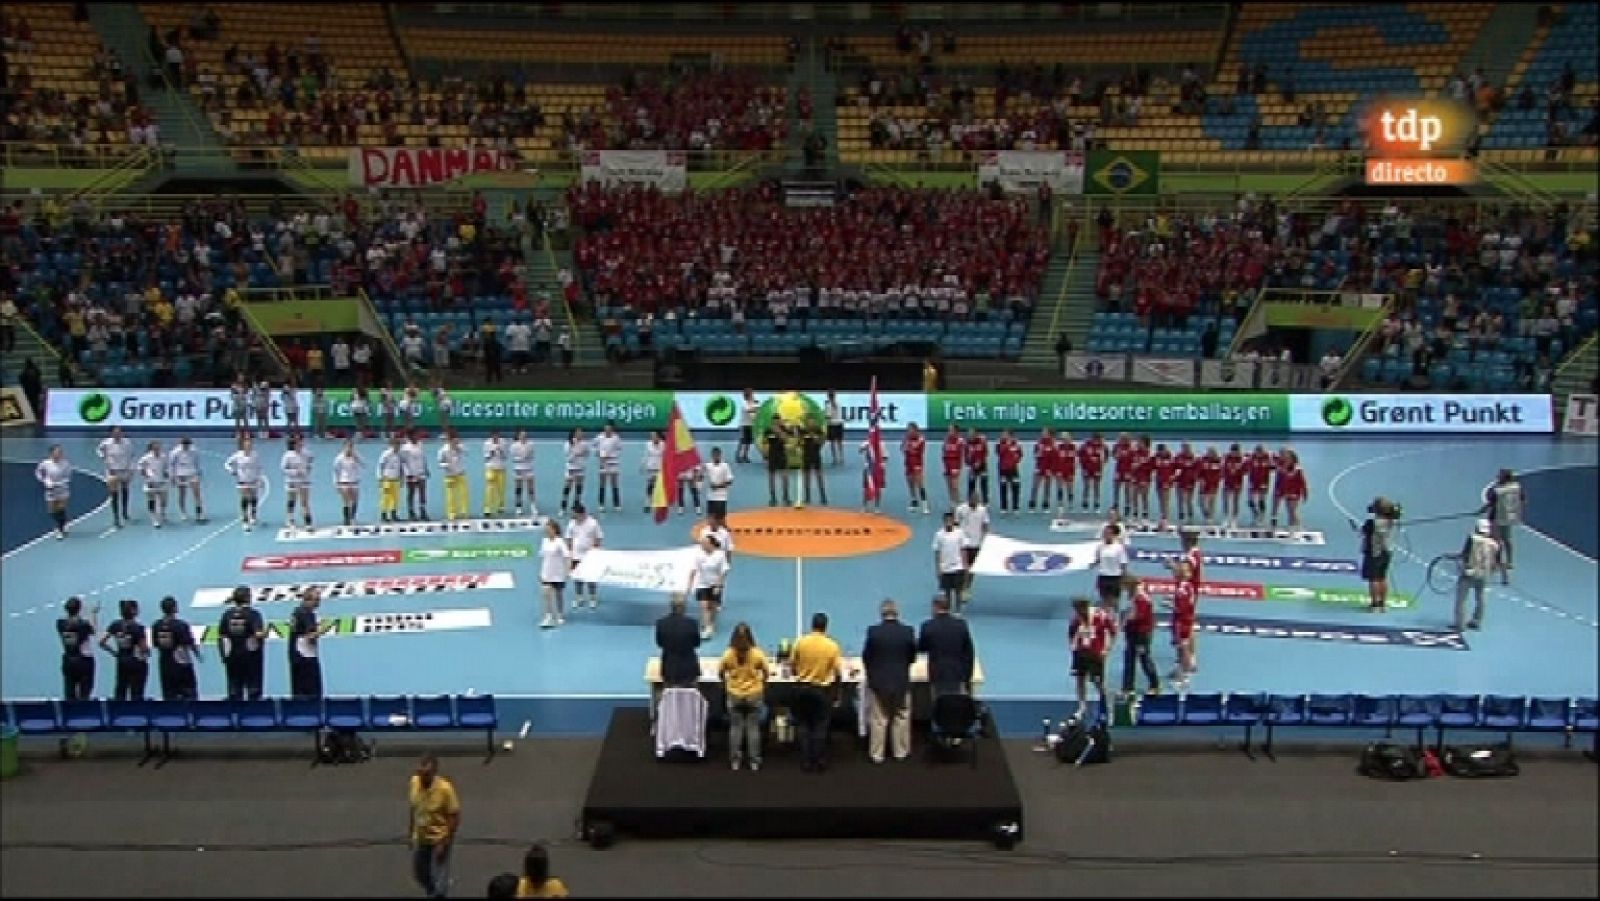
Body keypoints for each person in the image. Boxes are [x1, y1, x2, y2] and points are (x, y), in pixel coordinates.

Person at [862, 599, 917, 764]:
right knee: (901, 716)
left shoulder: (873, 632)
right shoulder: (908, 631)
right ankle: (900, 751)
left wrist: (873, 674)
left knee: (879, 719)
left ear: (882, 613)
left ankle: (877, 754)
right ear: (897, 613)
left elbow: (867, 656)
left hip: (879, 683)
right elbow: (912, 656)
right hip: (900, 681)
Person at [790, 612, 844, 773]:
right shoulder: (832, 646)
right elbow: (837, 673)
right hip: (822, 691)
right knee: (820, 727)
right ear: (825, 626)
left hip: (802, 690)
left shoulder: (800, 643)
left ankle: (806, 761)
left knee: (803, 725)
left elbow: (792, 666)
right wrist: (837, 693)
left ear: (812, 625)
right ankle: (819, 760)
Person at [409, 753, 460, 900]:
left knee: (438, 880)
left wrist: (444, 842)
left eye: (426, 775)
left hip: (439, 839)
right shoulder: (414, 783)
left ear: (434, 773)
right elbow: (414, 807)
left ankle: (439, 891)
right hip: (421, 838)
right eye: (420, 774)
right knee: (420, 874)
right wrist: (411, 830)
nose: (422, 778)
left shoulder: (445, 789)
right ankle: (435, 888)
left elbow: (454, 816)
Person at [718, 622, 767, 771]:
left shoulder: (728, 654)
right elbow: (766, 672)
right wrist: (761, 683)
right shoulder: (757, 653)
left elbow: (720, 672)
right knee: (753, 728)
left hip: (734, 695)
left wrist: (727, 682)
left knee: (735, 727)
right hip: (754, 695)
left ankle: (735, 761)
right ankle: (754, 762)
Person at [1068, 596, 1116, 720]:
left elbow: (1113, 631)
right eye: (1076, 611)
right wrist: (1073, 648)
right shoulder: (1076, 619)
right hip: (1080, 653)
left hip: (1095, 655)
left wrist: (1107, 649)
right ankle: (1082, 707)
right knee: (1080, 680)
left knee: (1098, 682)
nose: (1078, 613)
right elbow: (1071, 634)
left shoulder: (1100, 616)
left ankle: (1109, 709)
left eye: (1080, 610)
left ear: (1085, 607)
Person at [918, 594, 974, 698]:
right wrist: (967, 676)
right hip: (958, 674)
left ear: (935, 607)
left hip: (937, 674)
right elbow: (969, 652)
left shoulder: (928, 626)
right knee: (957, 704)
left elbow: (921, 648)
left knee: (939, 705)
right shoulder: (961, 625)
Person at [217, 586, 266, 700]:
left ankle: (235, 714)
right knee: (253, 689)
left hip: (233, 657)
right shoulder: (253, 614)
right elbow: (258, 634)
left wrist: (223, 656)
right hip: (251, 658)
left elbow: (221, 637)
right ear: (248, 598)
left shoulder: (227, 615)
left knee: (234, 689)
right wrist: (265, 633)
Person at [1455, 519, 1503, 631]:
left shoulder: (1472, 539)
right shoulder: (1495, 544)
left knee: (1461, 599)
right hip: (1485, 574)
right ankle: (1477, 621)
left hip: (1469, 572)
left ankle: (1460, 624)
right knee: (1481, 598)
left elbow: (1465, 555)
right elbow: (1497, 562)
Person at [289, 587, 335, 698]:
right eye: (317, 600)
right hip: (307, 659)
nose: (319, 602)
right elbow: (310, 637)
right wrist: (324, 629)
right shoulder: (307, 614)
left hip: (296, 657)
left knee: (298, 692)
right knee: (313, 693)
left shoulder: (297, 611)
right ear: (308, 600)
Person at [100, 598, 150, 702]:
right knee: (136, 692)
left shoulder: (115, 625)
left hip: (122, 660)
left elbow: (102, 642)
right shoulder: (138, 628)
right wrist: (147, 652)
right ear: (134, 611)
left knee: (120, 689)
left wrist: (114, 653)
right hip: (136, 662)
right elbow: (143, 648)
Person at [1119, 574, 1160, 698]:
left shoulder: (1141, 598)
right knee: (1129, 659)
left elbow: (1138, 616)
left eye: (1124, 586)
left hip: (1141, 634)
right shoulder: (1133, 595)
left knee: (1144, 660)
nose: (1123, 589)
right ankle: (1127, 688)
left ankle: (1155, 685)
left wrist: (1125, 620)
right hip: (1132, 633)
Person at [150, 596, 199, 700]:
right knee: (188, 691)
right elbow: (190, 643)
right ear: (175, 608)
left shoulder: (156, 625)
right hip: (181, 663)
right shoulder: (181, 625)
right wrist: (197, 653)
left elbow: (156, 644)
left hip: (165, 663)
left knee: (168, 693)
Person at [1482, 469, 1525, 583]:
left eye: (1499, 476)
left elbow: (1490, 504)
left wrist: (1480, 510)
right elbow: (1522, 500)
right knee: (1507, 539)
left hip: (1497, 518)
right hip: (1509, 517)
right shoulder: (1516, 487)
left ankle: (1497, 564)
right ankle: (1510, 562)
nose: (1497, 477)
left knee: (1495, 542)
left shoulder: (1497, 490)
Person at [1358, 496, 1399, 612]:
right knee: (1382, 577)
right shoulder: (1391, 522)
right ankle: (1383, 603)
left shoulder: (1371, 523)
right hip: (1386, 552)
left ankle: (1375, 604)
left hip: (1374, 552)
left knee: (1374, 579)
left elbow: (1363, 531)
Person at [689, 532, 730, 639]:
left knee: (713, 607)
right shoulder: (699, 555)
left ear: (711, 544)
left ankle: (711, 624)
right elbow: (694, 570)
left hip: (715, 584)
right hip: (702, 584)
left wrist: (719, 586)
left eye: (705, 543)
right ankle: (707, 627)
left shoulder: (720, 555)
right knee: (704, 606)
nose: (702, 545)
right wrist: (690, 584)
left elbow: (724, 571)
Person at [57, 597, 98, 700]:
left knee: (69, 693)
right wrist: (93, 614)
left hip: (68, 660)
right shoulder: (83, 624)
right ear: (79, 609)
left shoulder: (60, 623)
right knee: (85, 693)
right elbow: (93, 630)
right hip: (83, 661)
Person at [564, 504, 604, 610]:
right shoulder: (572, 523)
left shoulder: (593, 523)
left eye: (576, 515)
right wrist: (570, 553)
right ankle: (579, 597)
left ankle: (592, 598)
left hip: (589, 556)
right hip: (576, 555)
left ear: (582, 514)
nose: (574, 517)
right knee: (577, 578)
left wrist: (594, 552)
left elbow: (598, 538)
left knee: (591, 578)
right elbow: (568, 538)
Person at [97, 426, 134, 529]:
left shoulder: (127, 443)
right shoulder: (106, 443)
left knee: (125, 490)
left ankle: (125, 512)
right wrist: (104, 457)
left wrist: (131, 469)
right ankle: (116, 517)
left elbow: (131, 456)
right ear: (112, 434)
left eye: (119, 432)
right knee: (114, 494)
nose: (118, 434)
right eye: (115, 432)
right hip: (112, 471)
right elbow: (99, 451)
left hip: (124, 470)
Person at [225, 436, 264, 531]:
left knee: (254, 499)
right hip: (242, 481)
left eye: (250, 443)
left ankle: (253, 515)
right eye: (246, 443)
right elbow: (227, 463)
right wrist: (232, 471)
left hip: (253, 481)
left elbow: (258, 467)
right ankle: (245, 521)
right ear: (243, 445)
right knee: (245, 499)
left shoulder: (255, 455)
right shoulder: (238, 455)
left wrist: (259, 478)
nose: (248, 445)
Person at [537, 520, 571, 629]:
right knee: (545, 593)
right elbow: (543, 557)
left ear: (554, 529)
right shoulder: (544, 541)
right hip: (547, 573)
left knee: (558, 595)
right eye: (546, 529)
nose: (547, 531)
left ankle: (560, 614)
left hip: (558, 573)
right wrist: (541, 572)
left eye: (549, 529)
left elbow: (567, 556)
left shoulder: (560, 542)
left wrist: (567, 570)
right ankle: (548, 615)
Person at [35, 445, 73, 540]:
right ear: (51, 453)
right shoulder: (45, 463)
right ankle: (63, 522)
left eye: (60, 452)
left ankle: (60, 529)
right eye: (57, 452)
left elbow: (68, 476)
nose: (59, 454)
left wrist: (59, 483)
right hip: (50, 490)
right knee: (52, 511)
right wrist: (45, 481)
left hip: (62, 489)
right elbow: (38, 473)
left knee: (61, 507)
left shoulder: (65, 463)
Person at [931, 510, 966, 611]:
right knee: (947, 592)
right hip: (945, 568)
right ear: (943, 521)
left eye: (950, 520)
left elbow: (963, 549)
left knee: (958, 591)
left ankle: (958, 611)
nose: (948, 522)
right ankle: (948, 610)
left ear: (953, 520)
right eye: (946, 520)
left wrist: (964, 565)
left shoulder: (959, 533)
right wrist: (938, 568)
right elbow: (937, 552)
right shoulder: (939, 535)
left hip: (958, 567)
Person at [1092, 523, 1131, 608]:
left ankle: (1115, 619)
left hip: (1115, 578)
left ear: (1113, 535)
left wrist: (1124, 578)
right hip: (1103, 577)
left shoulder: (1119, 547)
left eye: (1108, 533)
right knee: (1105, 602)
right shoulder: (1100, 547)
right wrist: (1092, 564)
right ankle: (1106, 619)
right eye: (1105, 533)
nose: (1106, 535)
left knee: (1114, 603)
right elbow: (1098, 559)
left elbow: (1123, 563)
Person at [281, 434, 314, 530]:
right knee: (292, 500)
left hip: (304, 480)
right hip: (292, 481)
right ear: (294, 444)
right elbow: (283, 469)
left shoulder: (307, 453)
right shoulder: (288, 455)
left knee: (305, 502)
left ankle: (308, 522)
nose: (300, 444)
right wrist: (295, 472)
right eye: (298, 442)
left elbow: (311, 460)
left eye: (301, 442)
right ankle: (290, 519)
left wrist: (308, 468)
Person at [169, 436, 206, 523]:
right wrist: (172, 477)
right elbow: (171, 465)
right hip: (181, 474)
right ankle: (183, 512)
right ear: (181, 444)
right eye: (185, 445)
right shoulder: (175, 452)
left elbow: (196, 461)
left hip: (192, 473)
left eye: (188, 445)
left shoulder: (194, 450)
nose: (187, 447)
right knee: (182, 494)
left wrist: (199, 472)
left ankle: (199, 513)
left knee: (197, 494)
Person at [137, 440, 170, 529]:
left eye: (158, 447)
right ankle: (154, 519)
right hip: (150, 483)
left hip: (162, 482)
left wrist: (166, 474)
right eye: (155, 447)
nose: (157, 449)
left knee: (163, 500)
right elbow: (140, 468)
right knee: (152, 500)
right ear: (151, 448)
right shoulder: (145, 458)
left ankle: (162, 513)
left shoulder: (163, 457)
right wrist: (147, 477)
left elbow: (166, 467)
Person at [438, 430, 470, 522]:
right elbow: (440, 463)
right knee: (450, 496)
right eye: (451, 439)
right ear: (448, 440)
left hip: (461, 474)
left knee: (464, 494)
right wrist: (447, 465)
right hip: (449, 475)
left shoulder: (460, 447)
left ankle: (464, 512)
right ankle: (452, 513)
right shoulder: (442, 450)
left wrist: (458, 448)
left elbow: (467, 453)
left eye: (455, 439)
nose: (454, 440)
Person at [402, 430, 431, 521]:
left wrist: (426, 469)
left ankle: (423, 511)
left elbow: (423, 458)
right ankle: (411, 512)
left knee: (422, 492)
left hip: (421, 472)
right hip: (411, 474)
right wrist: (408, 474)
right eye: (415, 434)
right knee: (411, 493)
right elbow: (403, 462)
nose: (417, 436)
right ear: (411, 436)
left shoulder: (420, 444)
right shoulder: (405, 448)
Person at [594, 421, 623, 513]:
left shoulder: (616, 438)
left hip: (613, 463)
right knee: (602, 484)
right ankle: (601, 504)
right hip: (603, 463)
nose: (607, 430)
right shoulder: (599, 437)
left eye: (609, 428)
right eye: (606, 428)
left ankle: (616, 504)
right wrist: (598, 453)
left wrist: (612, 455)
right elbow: (593, 446)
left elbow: (620, 449)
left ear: (612, 429)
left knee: (614, 484)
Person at [560, 427, 590, 515]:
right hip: (571, 468)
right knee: (567, 488)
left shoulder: (585, 444)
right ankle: (563, 507)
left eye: (581, 432)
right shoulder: (568, 444)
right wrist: (575, 451)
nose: (581, 434)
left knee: (579, 489)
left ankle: (576, 507)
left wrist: (581, 457)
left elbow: (587, 454)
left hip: (580, 469)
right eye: (579, 432)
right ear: (574, 433)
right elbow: (568, 458)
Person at [901, 422, 929, 513]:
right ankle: (914, 501)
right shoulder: (906, 438)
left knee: (920, 484)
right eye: (908, 430)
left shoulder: (921, 439)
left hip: (917, 464)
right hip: (908, 463)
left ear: (915, 430)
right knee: (910, 484)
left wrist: (909, 449)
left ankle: (925, 505)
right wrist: (905, 447)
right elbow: (902, 449)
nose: (909, 432)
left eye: (910, 430)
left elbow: (918, 452)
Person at [378, 433, 404, 523]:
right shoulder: (386, 454)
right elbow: (380, 466)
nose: (398, 446)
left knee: (396, 498)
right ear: (392, 444)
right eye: (397, 444)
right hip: (387, 479)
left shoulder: (399, 455)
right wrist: (380, 478)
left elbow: (401, 467)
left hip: (396, 479)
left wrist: (402, 478)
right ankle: (384, 514)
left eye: (399, 445)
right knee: (386, 498)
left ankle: (394, 514)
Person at [510, 429, 537, 517]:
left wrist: (526, 457)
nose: (524, 437)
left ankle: (533, 506)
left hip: (528, 468)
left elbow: (532, 456)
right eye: (522, 435)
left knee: (531, 488)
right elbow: (513, 458)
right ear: (518, 436)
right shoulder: (514, 446)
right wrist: (522, 458)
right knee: (519, 488)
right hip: (518, 468)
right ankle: (518, 507)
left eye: (525, 435)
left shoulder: (531, 444)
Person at [482, 431, 508, 518]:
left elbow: (505, 457)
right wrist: (491, 452)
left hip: (501, 469)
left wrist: (501, 450)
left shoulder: (504, 442)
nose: (495, 438)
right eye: (494, 436)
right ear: (492, 436)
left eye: (497, 436)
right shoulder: (487, 443)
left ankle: (501, 506)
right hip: (491, 468)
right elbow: (485, 457)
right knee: (490, 489)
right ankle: (487, 509)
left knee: (501, 490)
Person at [704, 446, 733, 521]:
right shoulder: (707, 466)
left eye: (717, 455)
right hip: (710, 497)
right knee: (710, 519)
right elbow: (700, 478)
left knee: (721, 520)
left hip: (721, 497)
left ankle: (723, 532)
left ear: (720, 455)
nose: (715, 457)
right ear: (711, 455)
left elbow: (729, 481)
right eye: (714, 455)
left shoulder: (725, 466)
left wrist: (717, 486)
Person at [801, 423, 827, 506]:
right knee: (806, 476)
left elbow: (822, 440)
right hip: (806, 455)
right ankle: (807, 497)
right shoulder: (803, 430)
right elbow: (800, 442)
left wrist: (815, 438)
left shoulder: (818, 430)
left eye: (811, 420)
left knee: (819, 476)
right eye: (808, 420)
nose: (810, 422)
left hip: (816, 455)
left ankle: (823, 496)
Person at [764, 426, 790, 506]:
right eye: (774, 421)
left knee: (784, 476)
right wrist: (765, 455)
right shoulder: (768, 430)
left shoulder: (783, 428)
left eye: (777, 421)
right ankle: (773, 497)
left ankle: (786, 497)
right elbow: (764, 442)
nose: (776, 423)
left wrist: (779, 432)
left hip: (781, 455)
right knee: (771, 477)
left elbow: (786, 440)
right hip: (772, 455)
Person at [641, 430, 664, 513]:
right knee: (650, 485)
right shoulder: (648, 444)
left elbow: (665, 457)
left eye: (654, 435)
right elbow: (646, 455)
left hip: (660, 468)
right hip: (650, 468)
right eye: (651, 435)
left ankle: (659, 504)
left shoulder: (663, 445)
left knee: (659, 486)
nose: (652, 437)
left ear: (658, 436)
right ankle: (647, 503)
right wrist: (642, 465)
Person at [736, 389, 759, 464]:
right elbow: (749, 410)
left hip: (751, 425)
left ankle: (745, 456)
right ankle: (738, 456)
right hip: (744, 425)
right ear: (748, 395)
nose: (753, 395)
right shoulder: (744, 403)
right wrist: (758, 408)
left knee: (748, 442)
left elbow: (756, 414)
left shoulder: (755, 403)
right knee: (743, 441)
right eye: (751, 394)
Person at [824, 390, 845, 465]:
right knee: (839, 442)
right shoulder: (839, 403)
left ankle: (835, 458)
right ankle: (841, 457)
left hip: (832, 424)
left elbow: (828, 416)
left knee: (832, 442)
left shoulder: (828, 405)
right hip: (839, 423)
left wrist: (824, 415)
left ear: (828, 396)